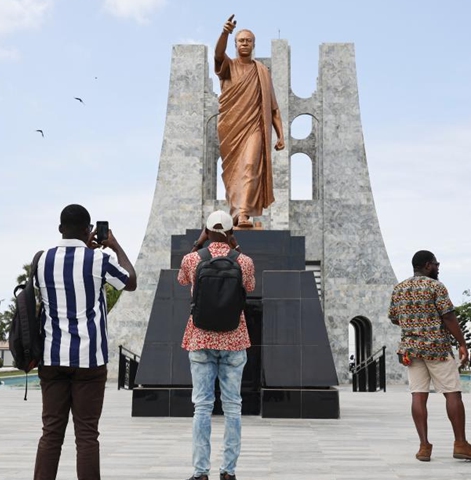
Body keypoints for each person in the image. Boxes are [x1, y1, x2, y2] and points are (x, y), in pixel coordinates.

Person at [33, 204, 137, 480]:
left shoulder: (42, 260)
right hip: (89, 361)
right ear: (89, 230)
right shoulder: (97, 260)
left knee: (51, 433)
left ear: (59, 229)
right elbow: (131, 281)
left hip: (52, 359)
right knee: (87, 435)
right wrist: (113, 246)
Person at [389, 250, 471, 463]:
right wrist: (462, 343)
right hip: (437, 349)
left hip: (411, 350)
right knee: (452, 393)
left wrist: (413, 324)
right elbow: (449, 316)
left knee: (418, 395)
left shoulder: (399, 288)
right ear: (427, 265)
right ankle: (460, 443)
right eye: (436, 264)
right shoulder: (435, 286)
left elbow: (394, 318)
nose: (438, 267)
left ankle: (424, 446)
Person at [180, 210, 255, 480]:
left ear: (207, 230)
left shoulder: (192, 259)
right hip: (235, 338)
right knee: (233, 406)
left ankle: (201, 472)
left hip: (200, 337)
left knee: (202, 406)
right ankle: (229, 471)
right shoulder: (244, 261)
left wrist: (197, 245)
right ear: (230, 231)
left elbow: (182, 280)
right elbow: (250, 285)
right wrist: (236, 247)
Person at [214, 14, 285, 228]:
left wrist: (280, 134)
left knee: (250, 165)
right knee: (232, 173)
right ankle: (235, 213)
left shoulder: (261, 71)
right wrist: (224, 33)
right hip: (230, 128)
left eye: (248, 40)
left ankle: (244, 214)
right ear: (235, 44)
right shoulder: (228, 66)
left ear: (253, 45)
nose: (244, 43)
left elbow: (273, 108)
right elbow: (218, 55)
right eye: (240, 40)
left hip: (254, 127)